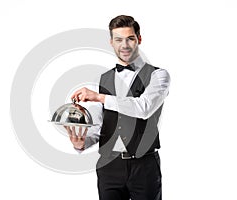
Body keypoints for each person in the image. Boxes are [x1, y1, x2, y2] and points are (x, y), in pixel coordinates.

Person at [65, 15, 170, 200]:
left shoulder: (158, 75)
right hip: (109, 167)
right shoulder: (105, 78)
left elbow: (143, 107)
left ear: (139, 39)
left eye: (130, 38)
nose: (125, 45)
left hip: (144, 166)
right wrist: (83, 143)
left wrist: (98, 96)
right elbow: (101, 124)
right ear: (111, 42)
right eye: (118, 39)